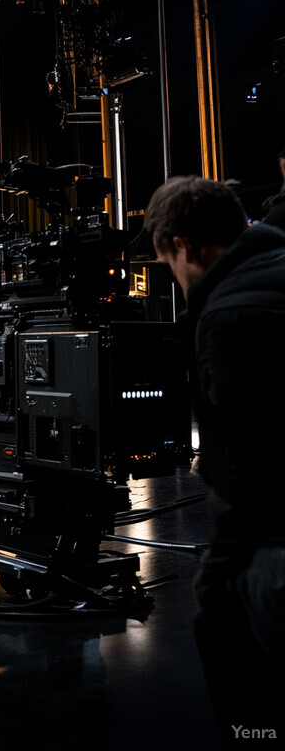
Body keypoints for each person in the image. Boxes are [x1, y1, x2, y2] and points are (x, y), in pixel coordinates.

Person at [143, 176, 285, 746]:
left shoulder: (229, 315)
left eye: (168, 265)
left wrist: (220, 568)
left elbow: (259, 472)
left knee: (225, 619)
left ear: (186, 246)